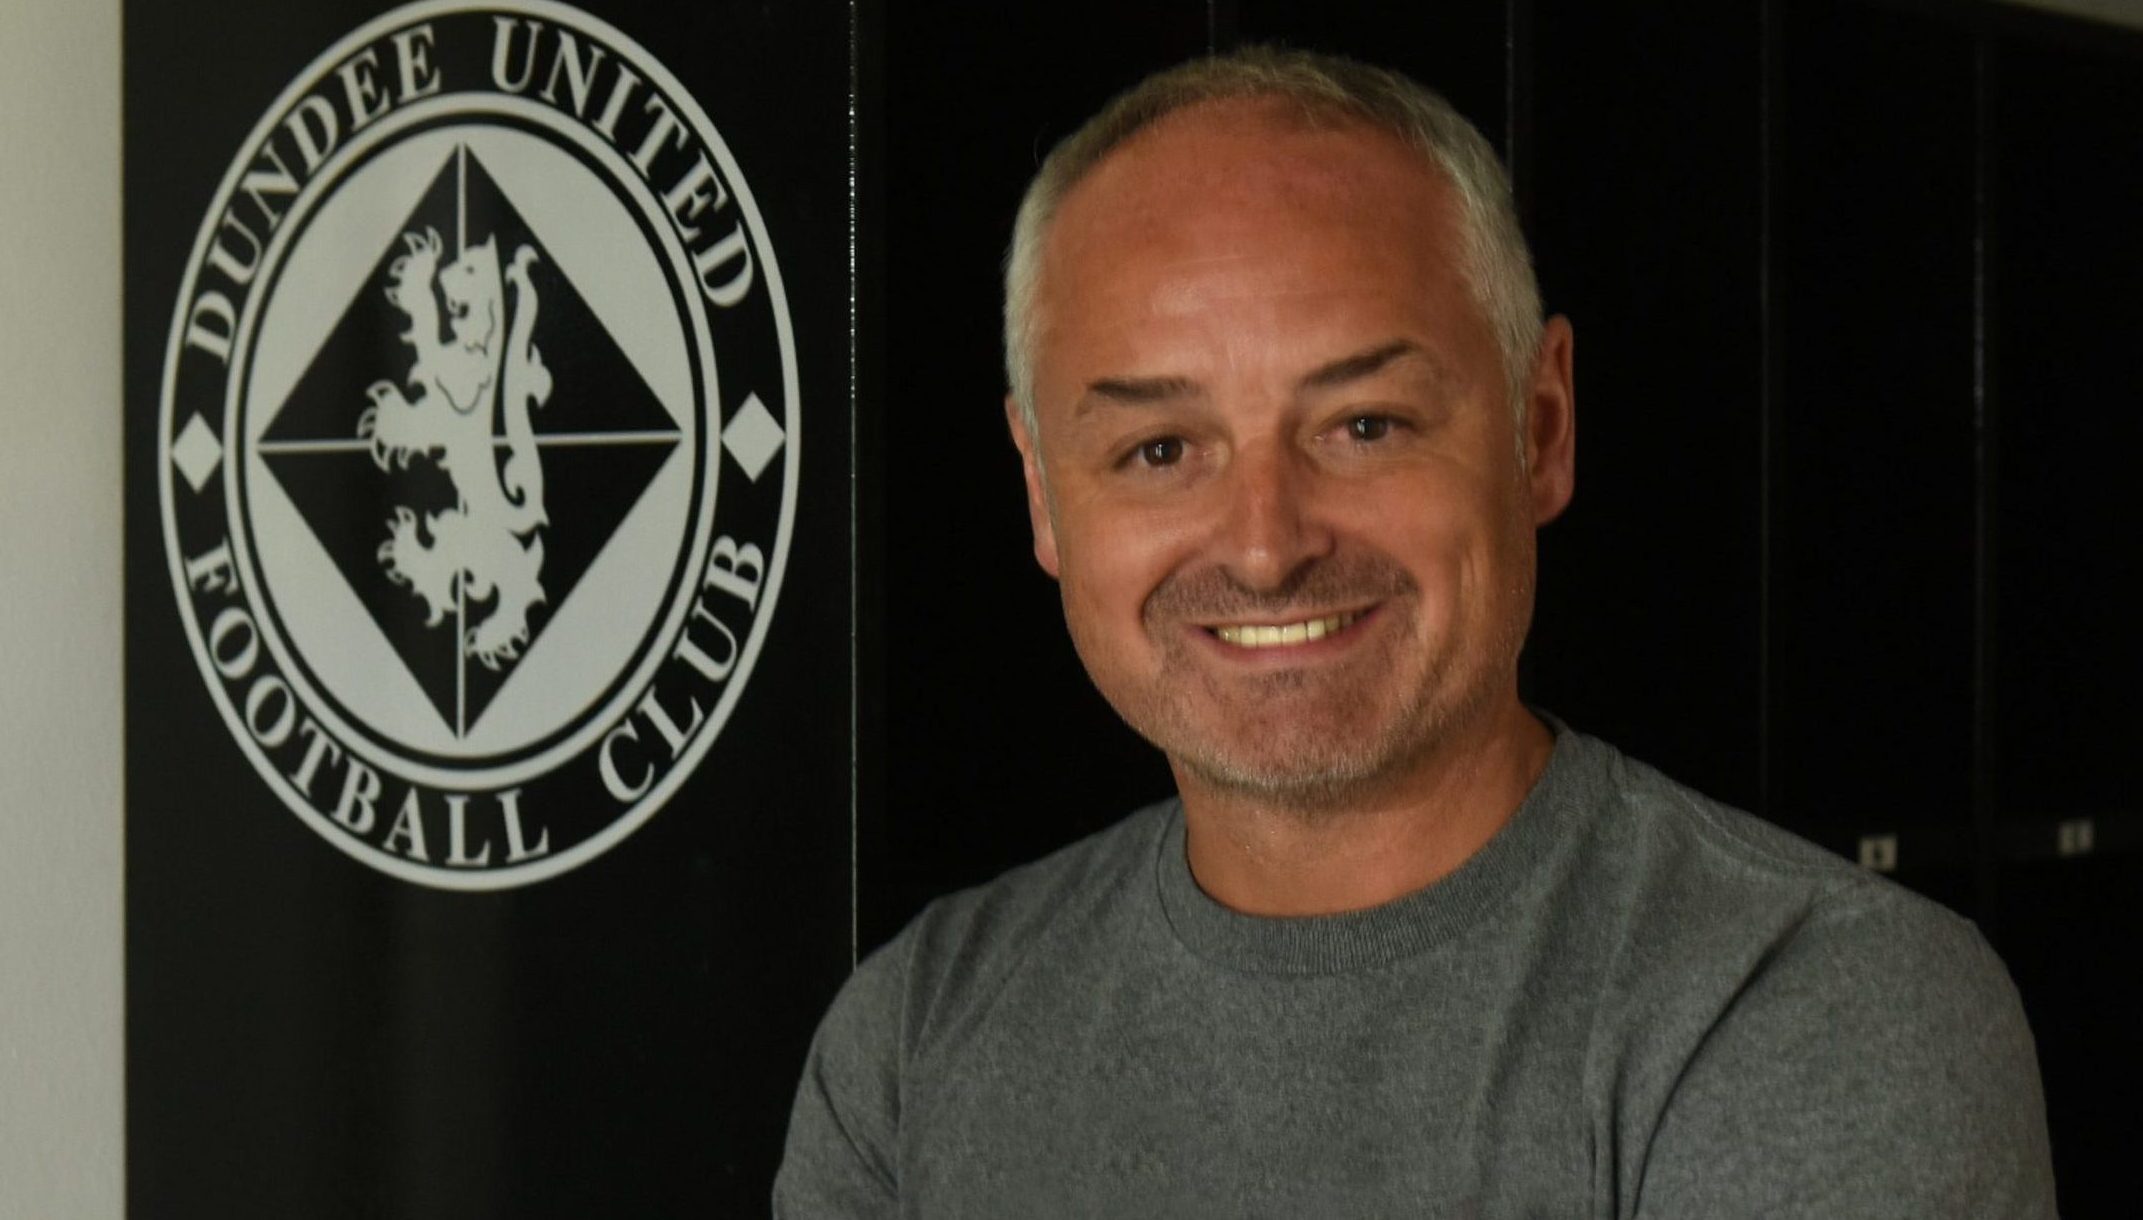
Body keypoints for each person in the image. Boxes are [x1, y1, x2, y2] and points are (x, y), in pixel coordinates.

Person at [776, 47, 2055, 1217]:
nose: (1267, 543)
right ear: (1045, 492)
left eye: (1365, 425)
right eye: (1159, 448)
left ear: (1539, 426)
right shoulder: (911, 1041)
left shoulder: (1814, 1003)